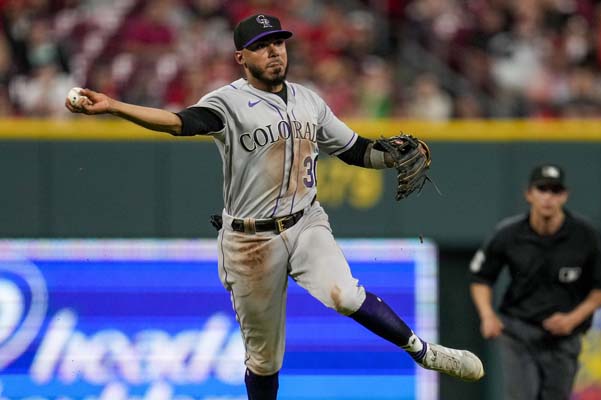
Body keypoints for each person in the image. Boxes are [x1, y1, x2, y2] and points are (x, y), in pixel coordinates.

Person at [65, 13, 483, 399]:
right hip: (249, 242)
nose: (274, 51)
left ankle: (422, 351)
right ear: (240, 57)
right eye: (263, 45)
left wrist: (389, 157)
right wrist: (115, 106)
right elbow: (179, 123)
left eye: (279, 43)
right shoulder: (227, 102)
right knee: (265, 360)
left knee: (344, 294)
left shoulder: (309, 100)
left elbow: (354, 149)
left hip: (306, 223)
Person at [469, 164, 601, 400]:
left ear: (565, 195)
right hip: (518, 331)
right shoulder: (509, 234)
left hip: (563, 337)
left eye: (555, 190)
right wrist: (487, 315)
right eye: (542, 189)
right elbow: (481, 277)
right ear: (529, 194)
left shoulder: (586, 235)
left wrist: (573, 318)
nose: (548, 197)